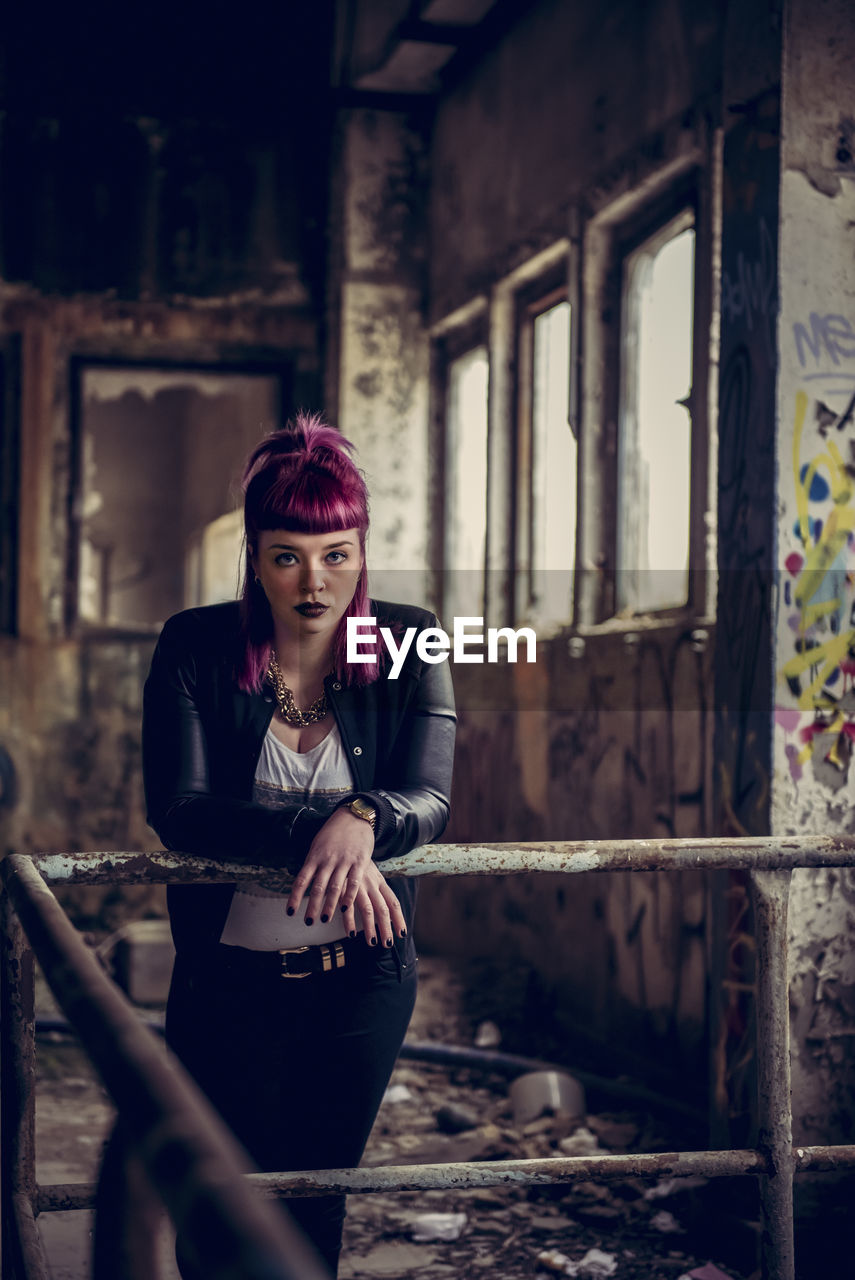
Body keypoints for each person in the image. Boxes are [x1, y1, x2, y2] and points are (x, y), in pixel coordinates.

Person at [142, 413, 456, 1276]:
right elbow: (180, 808)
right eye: (286, 555)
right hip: (225, 979)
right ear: (254, 557)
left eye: (336, 554)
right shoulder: (195, 647)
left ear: (360, 552)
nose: (313, 581)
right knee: (216, 1208)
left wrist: (363, 817)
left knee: (314, 1206)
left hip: (360, 984)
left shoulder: (408, 642)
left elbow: (429, 796)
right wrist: (317, 834)